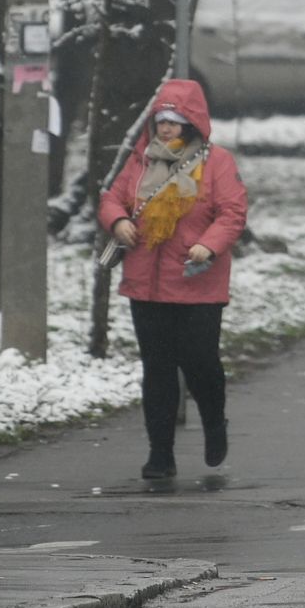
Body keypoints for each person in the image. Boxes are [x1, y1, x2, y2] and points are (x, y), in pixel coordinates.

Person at [97, 77, 247, 488]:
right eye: (160, 121)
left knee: (201, 363)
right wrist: (118, 221)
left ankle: (214, 421)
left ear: (191, 124)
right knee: (157, 369)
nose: (165, 129)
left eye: (174, 122)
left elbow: (232, 213)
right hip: (146, 283)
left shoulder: (216, 162)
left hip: (197, 281)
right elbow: (112, 198)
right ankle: (160, 454)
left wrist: (208, 245)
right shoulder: (140, 160)